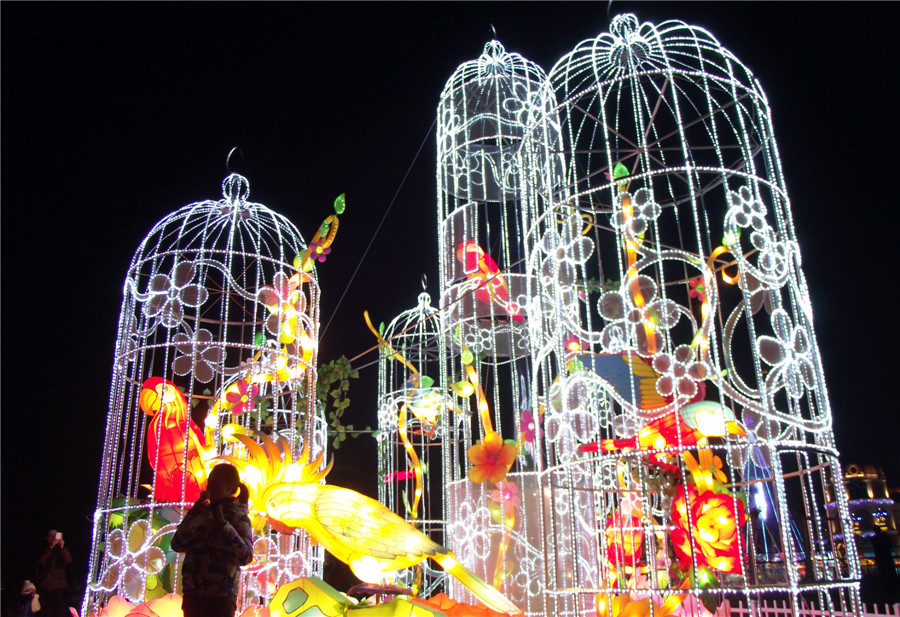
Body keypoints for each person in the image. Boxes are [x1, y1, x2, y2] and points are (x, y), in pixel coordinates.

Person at [171, 463, 254, 617]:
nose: (209, 487)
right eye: (209, 482)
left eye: (215, 482)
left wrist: (223, 526)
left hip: (220, 597)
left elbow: (246, 556)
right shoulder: (201, 513)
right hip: (193, 595)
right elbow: (177, 544)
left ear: (230, 488)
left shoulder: (238, 517)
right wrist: (194, 512)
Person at [35, 529, 72, 617]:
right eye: (51, 536)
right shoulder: (44, 548)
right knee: (46, 611)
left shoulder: (61, 550)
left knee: (59, 611)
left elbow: (68, 560)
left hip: (58, 585)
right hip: (45, 585)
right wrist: (51, 547)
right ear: (46, 538)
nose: (54, 538)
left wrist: (62, 547)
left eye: (55, 536)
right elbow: (41, 561)